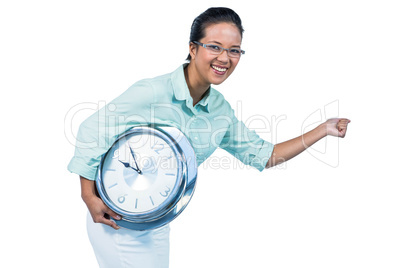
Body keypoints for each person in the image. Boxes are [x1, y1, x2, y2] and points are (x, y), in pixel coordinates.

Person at [68, 7, 350, 268]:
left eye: (234, 50)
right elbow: (92, 130)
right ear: (193, 48)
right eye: (214, 47)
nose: (224, 58)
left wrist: (323, 129)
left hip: (156, 221)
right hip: (115, 220)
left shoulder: (219, 112)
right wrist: (87, 195)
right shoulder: (153, 92)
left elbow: (264, 155)